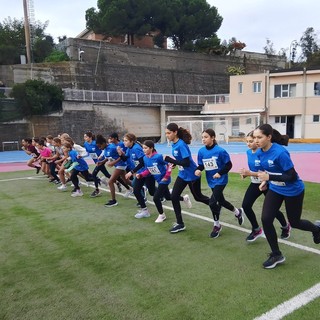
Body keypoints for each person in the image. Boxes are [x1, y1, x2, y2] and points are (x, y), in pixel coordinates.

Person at [253, 124, 320, 269]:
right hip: (276, 189)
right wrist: (265, 181)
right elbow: (269, 170)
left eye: (259, 137)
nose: (256, 140)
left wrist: (269, 176)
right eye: (255, 137)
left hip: (293, 190)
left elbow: (291, 176)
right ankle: (276, 254)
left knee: (295, 222)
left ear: (269, 137)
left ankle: (316, 229)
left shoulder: (280, 153)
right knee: (266, 218)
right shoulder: (259, 152)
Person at [239, 131, 291, 242]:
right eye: (247, 141)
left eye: (251, 141)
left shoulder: (263, 153)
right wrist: (246, 174)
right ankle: (256, 229)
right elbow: (254, 170)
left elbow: (266, 171)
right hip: (255, 183)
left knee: (273, 210)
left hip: (267, 184)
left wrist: (250, 173)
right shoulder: (248, 152)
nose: (249, 144)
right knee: (246, 205)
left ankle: (285, 226)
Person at [195, 129, 244, 238]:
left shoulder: (220, 151)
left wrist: (219, 173)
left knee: (213, 203)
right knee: (221, 201)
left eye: (206, 137)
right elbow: (201, 165)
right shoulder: (201, 151)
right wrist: (198, 170)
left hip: (221, 180)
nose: (203, 139)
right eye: (202, 137)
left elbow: (229, 165)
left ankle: (217, 225)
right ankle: (237, 212)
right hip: (211, 180)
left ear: (213, 137)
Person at [164, 123, 210, 233]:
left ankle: (214, 204)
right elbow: (181, 161)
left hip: (193, 175)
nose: (167, 135)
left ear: (175, 132)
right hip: (183, 175)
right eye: (166, 133)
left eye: (169, 133)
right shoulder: (174, 144)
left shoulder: (181, 144)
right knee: (174, 196)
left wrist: (170, 160)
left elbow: (186, 162)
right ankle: (180, 224)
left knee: (198, 197)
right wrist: (175, 163)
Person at [136, 140, 191, 223]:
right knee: (168, 197)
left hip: (165, 180)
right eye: (143, 148)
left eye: (146, 148)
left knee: (156, 198)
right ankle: (184, 198)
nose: (144, 150)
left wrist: (166, 176)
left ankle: (162, 215)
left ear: (151, 148)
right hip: (158, 179)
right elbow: (148, 170)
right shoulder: (145, 158)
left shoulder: (158, 157)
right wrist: (141, 175)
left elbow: (170, 164)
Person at [118, 133, 156, 218]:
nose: (124, 142)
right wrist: (121, 154)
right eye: (124, 140)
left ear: (131, 141)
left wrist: (131, 172)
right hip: (140, 173)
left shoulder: (137, 148)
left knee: (152, 191)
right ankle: (145, 210)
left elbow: (142, 163)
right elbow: (125, 158)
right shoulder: (129, 148)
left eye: (126, 140)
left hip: (146, 172)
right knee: (136, 190)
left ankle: (167, 193)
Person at [95, 134, 132, 207]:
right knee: (126, 181)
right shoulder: (105, 149)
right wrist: (102, 162)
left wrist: (113, 163)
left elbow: (121, 156)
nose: (99, 148)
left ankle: (114, 201)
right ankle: (140, 188)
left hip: (121, 165)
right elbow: (108, 157)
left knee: (110, 181)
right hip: (118, 165)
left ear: (103, 143)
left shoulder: (112, 147)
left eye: (100, 146)